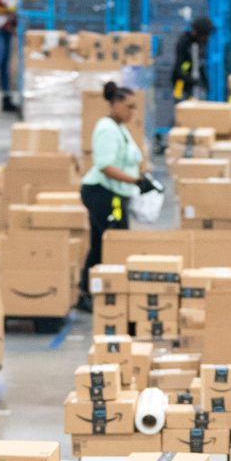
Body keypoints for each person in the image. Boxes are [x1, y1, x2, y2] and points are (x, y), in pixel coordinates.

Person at [78, 81, 157, 312]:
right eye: (129, 107)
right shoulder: (106, 129)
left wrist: (142, 176)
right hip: (103, 193)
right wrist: (135, 182)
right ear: (115, 103)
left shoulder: (119, 127)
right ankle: (102, 290)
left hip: (114, 193)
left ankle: (89, 290)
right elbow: (105, 166)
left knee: (101, 243)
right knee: (115, 243)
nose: (132, 112)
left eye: (135, 107)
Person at [171, 16, 215, 102]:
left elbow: (200, 64)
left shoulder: (199, 44)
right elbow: (178, 68)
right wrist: (191, 81)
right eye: (205, 35)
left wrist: (205, 82)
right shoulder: (185, 41)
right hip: (182, 84)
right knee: (182, 106)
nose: (207, 38)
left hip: (194, 82)